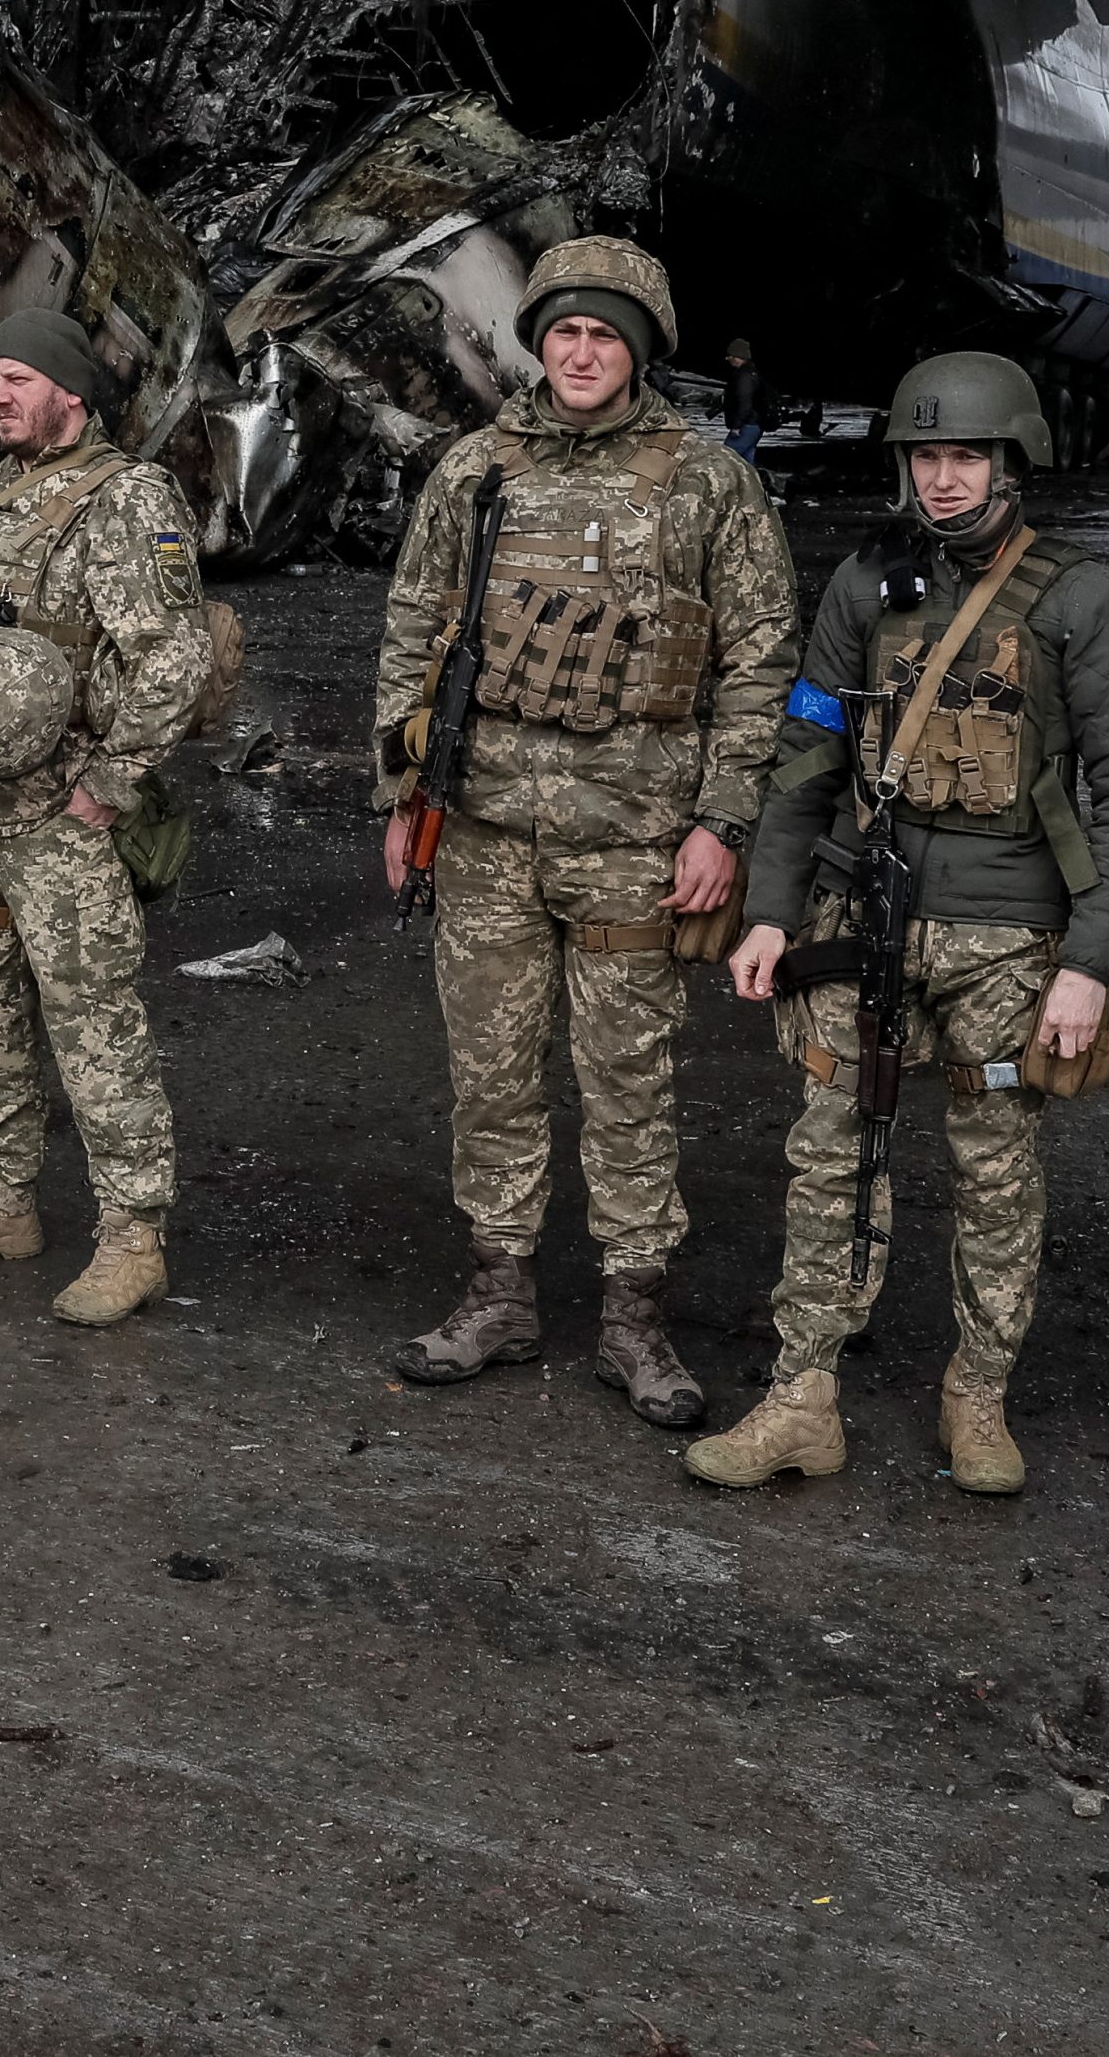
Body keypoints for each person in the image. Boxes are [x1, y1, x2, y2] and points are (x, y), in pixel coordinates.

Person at [685, 353, 1109, 1497]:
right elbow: (805, 756)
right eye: (926, 456)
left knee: (994, 1168)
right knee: (827, 1154)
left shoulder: (1081, 598)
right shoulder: (866, 583)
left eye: (965, 457)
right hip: (864, 913)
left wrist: (1090, 961)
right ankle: (802, 1394)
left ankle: (976, 1392)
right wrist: (770, 912)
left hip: (1007, 934)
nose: (943, 479)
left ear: (1010, 463)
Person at [370, 236, 795, 1426]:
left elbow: (759, 660)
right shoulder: (475, 470)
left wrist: (721, 821)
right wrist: (400, 796)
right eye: (564, 329)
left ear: (639, 349)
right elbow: (412, 628)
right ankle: (498, 1291)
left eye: (605, 334)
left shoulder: (706, 482)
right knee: (490, 1075)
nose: (581, 351)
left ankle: (633, 1316)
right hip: (483, 831)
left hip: (634, 840)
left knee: (627, 1081)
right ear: (539, 340)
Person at [0, 308, 209, 1327]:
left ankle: (131, 1235)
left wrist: (108, 784)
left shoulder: (125, 498)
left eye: (19, 378)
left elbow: (174, 655)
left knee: (91, 1022)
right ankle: (2, 1200)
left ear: (71, 390)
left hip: (58, 817)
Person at [724, 337, 767, 463]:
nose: (728, 359)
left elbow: (745, 404)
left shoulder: (744, 377)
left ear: (737, 358)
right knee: (746, 461)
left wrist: (736, 426)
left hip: (747, 425)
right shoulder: (753, 372)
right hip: (755, 424)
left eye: (730, 356)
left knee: (726, 458)